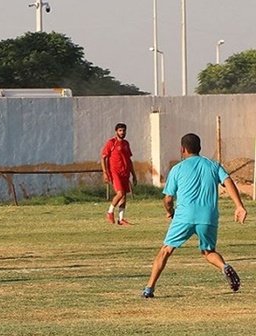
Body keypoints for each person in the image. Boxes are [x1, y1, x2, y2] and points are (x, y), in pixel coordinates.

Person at [141, 133, 247, 298]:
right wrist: (239, 206)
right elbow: (228, 181)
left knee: (166, 251)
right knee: (208, 251)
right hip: (208, 217)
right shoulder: (213, 165)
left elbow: (168, 199)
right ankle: (224, 266)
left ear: (182, 149)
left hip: (184, 216)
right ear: (200, 148)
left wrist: (170, 212)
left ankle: (149, 289)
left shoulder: (177, 169)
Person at [101, 123, 137, 226]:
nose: (122, 132)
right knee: (120, 193)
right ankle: (110, 212)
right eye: (120, 130)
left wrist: (133, 175)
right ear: (116, 131)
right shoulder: (111, 143)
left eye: (124, 130)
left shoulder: (126, 144)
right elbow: (103, 157)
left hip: (125, 173)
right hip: (115, 172)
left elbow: (129, 160)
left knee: (124, 196)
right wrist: (105, 172)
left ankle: (121, 219)